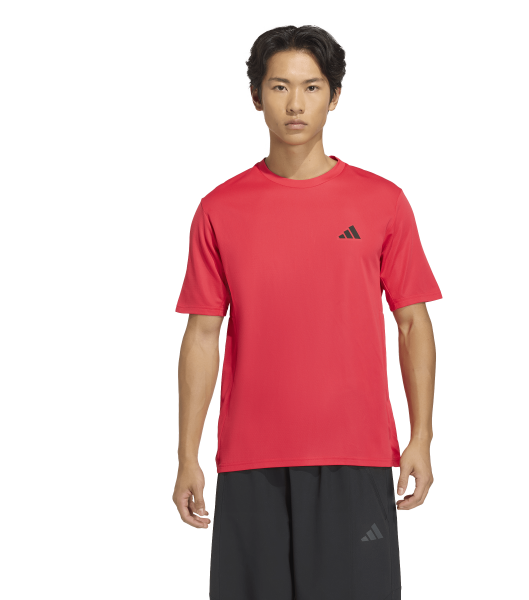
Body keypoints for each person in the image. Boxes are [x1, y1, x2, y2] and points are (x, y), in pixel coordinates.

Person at [172, 22, 441, 599]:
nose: (295, 103)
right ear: (256, 95)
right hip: (249, 457)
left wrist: (420, 438)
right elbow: (202, 334)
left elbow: (413, 322)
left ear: (334, 95)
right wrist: (186, 456)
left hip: (356, 453)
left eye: (311, 87)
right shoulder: (219, 208)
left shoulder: (382, 200)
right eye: (280, 86)